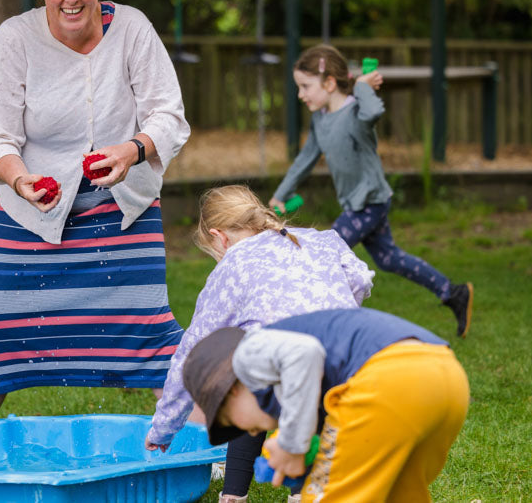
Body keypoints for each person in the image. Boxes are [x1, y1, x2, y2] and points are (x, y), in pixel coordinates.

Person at [0, 0, 191, 420]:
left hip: (123, 209)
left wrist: (133, 150)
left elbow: (168, 116)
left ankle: (201, 448)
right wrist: (20, 180)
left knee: (151, 330)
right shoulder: (14, 38)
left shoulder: (132, 29)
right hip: (30, 213)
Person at [145, 184, 373, 503]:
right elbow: (361, 280)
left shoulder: (234, 264)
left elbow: (190, 355)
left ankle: (234, 495)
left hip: (290, 368)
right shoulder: (323, 239)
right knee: (306, 405)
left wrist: (163, 428)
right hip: (350, 362)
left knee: (247, 385)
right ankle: (303, 492)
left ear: (219, 237)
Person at [268, 44, 474, 337]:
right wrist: (281, 195)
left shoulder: (356, 113)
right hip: (356, 204)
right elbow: (305, 159)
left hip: (370, 202)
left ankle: (323, 326)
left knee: (327, 254)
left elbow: (375, 109)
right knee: (388, 258)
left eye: (305, 86)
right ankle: (453, 293)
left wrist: (362, 86)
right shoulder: (320, 119)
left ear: (329, 83)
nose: (300, 95)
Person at [184, 308, 470, 502]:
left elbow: (305, 353)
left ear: (233, 390)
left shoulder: (246, 355)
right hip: (446, 378)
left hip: (391, 380)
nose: (247, 431)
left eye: (230, 422)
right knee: (398, 493)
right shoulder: (298, 386)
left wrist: (292, 444)